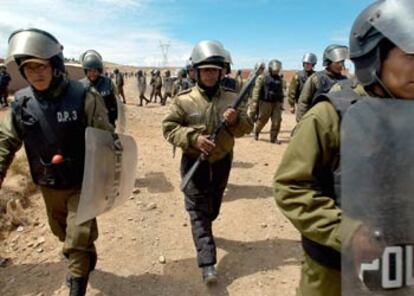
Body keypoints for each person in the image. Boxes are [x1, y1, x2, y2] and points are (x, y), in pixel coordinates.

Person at [274, 0, 414, 294]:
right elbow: (291, 188)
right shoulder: (331, 117)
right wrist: (350, 233)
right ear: (375, 56)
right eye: (411, 55)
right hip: (334, 270)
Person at [1, 28, 113, 296]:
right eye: (29, 68)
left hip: (82, 183)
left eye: (41, 66)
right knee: (62, 232)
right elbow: (6, 140)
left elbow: (106, 139)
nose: (36, 73)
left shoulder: (85, 96)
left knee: (75, 241)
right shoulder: (21, 103)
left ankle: (77, 280)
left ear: (55, 65)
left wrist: (105, 178)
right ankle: (85, 252)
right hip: (48, 184)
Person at [162, 40, 253, 284]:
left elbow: (246, 127)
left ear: (221, 71)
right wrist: (193, 138)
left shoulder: (233, 98)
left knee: (212, 208)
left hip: (222, 161)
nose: (210, 75)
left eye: (214, 70)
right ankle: (207, 263)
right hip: (194, 162)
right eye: (205, 70)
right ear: (196, 72)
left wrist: (235, 121)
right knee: (197, 212)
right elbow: (169, 128)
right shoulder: (184, 100)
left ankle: (207, 229)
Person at [296, 44, 348, 122]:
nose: (341, 65)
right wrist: (301, 123)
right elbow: (304, 102)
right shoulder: (316, 78)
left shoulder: (345, 80)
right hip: (317, 121)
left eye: (342, 62)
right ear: (328, 62)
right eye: (337, 62)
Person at [79, 49, 118, 126]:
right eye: (89, 71)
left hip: (107, 124)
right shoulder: (81, 85)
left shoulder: (108, 83)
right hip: (90, 126)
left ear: (99, 71)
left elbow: (116, 102)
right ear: (85, 71)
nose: (92, 74)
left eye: (95, 71)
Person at [249, 59, 285, 143]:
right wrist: (255, 102)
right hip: (265, 102)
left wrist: (281, 102)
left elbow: (281, 91)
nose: (276, 71)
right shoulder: (262, 77)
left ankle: (273, 138)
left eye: (278, 70)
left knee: (277, 121)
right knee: (262, 120)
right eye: (275, 70)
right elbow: (256, 90)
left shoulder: (280, 79)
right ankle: (256, 132)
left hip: (276, 103)